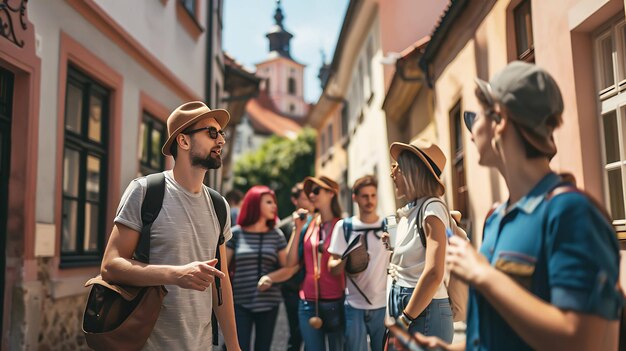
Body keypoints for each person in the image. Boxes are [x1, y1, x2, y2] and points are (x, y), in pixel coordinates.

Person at [408, 61, 623, 351]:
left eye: (476, 116)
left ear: (500, 120)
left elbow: (581, 340)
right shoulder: (496, 217)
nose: (470, 128)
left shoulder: (570, 212)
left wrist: (483, 275)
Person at [101, 101, 240, 350]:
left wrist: (234, 345)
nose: (220, 141)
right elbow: (111, 266)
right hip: (149, 343)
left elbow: (222, 282)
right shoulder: (145, 191)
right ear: (183, 141)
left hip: (202, 345)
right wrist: (175, 275)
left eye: (221, 134)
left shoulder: (220, 205)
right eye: (211, 132)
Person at [385, 139, 454, 346]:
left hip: (422, 311)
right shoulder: (413, 209)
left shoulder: (432, 209)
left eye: (397, 167)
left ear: (411, 172)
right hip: (413, 308)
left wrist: (404, 319)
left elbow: (434, 273)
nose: (392, 174)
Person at [226, 185, 297, 351]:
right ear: (254, 204)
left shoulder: (276, 235)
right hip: (239, 301)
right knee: (239, 347)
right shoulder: (236, 234)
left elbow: (288, 266)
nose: (274, 206)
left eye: (274, 203)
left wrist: (271, 278)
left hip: (269, 303)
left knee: (263, 348)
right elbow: (223, 267)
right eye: (269, 202)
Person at [327, 175, 390, 351]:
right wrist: (349, 258)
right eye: (364, 196)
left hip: (383, 304)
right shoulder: (344, 227)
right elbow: (331, 268)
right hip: (354, 304)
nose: (370, 200)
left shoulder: (388, 226)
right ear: (354, 197)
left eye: (373, 195)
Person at [286, 176, 345, 351]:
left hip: (335, 301)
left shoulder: (342, 226)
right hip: (307, 302)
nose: (311, 195)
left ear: (331, 194)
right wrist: (297, 229)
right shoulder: (308, 225)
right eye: (310, 191)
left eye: (317, 190)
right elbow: (290, 263)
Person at [278, 182, 315, 351]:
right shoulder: (284, 226)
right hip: (292, 287)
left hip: (312, 287)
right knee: (295, 332)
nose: (309, 200)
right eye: (304, 197)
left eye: (310, 197)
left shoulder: (317, 223)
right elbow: (282, 259)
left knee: (312, 335)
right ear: (294, 200)